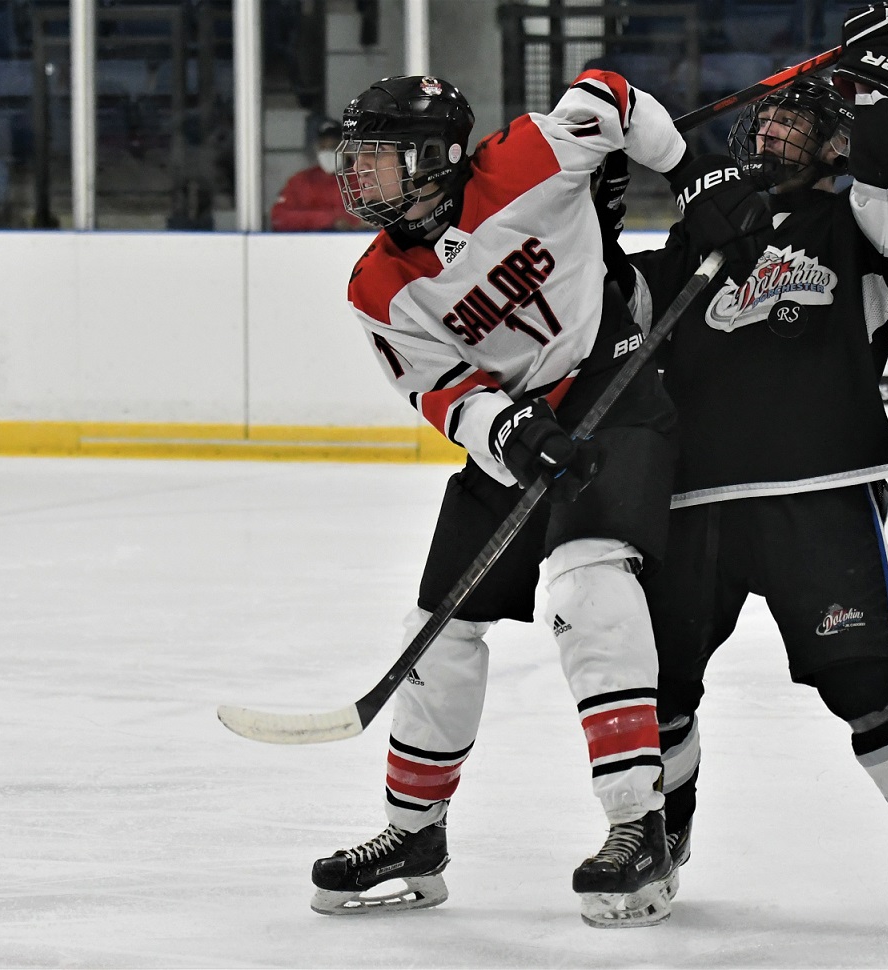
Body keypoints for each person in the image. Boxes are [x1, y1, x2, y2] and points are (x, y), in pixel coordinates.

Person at [601, 2, 888, 943]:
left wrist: (879, 90)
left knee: (871, 686)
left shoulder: (860, 226)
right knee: (663, 688)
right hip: (687, 500)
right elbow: (613, 310)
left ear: (836, 142)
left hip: (821, 491)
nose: (769, 128)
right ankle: (663, 844)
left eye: (796, 119)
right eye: (764, 119)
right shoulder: (706, 223)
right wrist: (587, 206)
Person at [305, 72, 759, 927]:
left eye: (378, 160)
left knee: (588, 583)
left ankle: (637, 825)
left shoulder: (527, 157)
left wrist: (694, 173)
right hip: (520, 435)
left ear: (437, 159)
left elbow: (611, 95)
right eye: (353, 161)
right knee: (436, 630)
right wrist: (506, 430)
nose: (358, 179)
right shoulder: (377, 285)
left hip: (612, 387)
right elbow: (442, 389)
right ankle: (414, 835)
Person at [269, 119, 367, 231]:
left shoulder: (365, 179)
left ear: (346, 147)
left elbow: (382, 216)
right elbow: (278, 218)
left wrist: (351, 221)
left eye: (334, 146)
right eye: (323, 147)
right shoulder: (301, 181)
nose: (328, 152)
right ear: (316, 148)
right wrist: (329, 219)